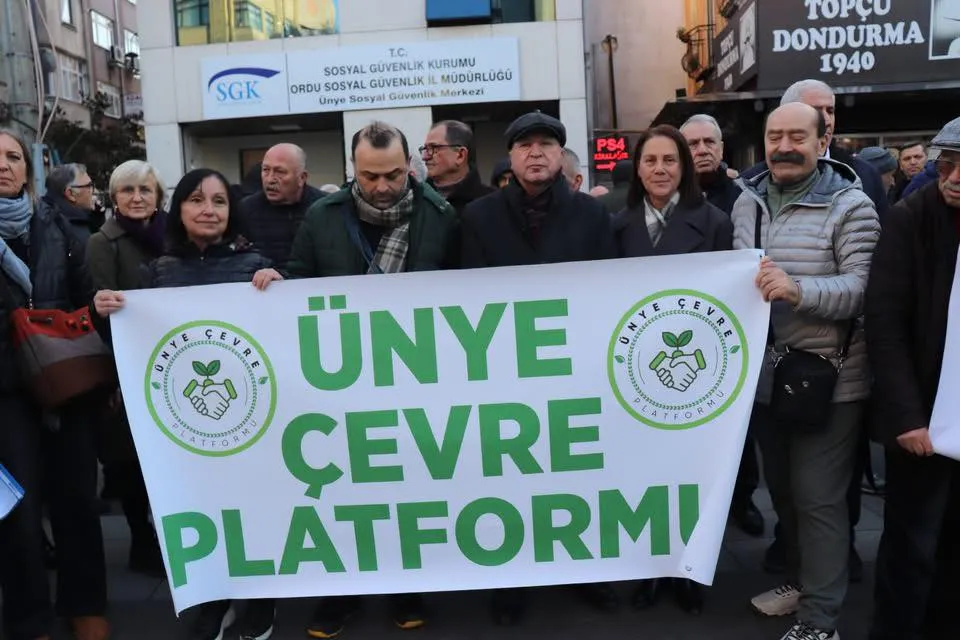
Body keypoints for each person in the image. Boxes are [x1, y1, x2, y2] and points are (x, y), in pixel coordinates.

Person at [281, 121, 457, 638]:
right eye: (370, 176)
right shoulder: (322, 217)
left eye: (393, 175)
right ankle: (341, 593)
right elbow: (298, 281)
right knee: (343, 491)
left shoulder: (440, 217)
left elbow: (467, 294)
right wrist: (276, 284)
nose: (382, 186)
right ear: (351, 170)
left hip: (416, 379)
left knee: (407, 489)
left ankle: (406, 586)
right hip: (340, 383)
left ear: (410, 167)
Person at [93, 168, 280, 640]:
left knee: (255, 505)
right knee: (205, 509)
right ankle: (214, 600)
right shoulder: (157, 271)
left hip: (251, 413)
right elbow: (132, 343)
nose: (208, 210)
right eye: (197, 199)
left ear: (231, 211)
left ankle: (262, 600)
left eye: (219, 201)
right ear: (179, 210)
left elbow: (286, 333)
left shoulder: (257, 264)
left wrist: (282, 287)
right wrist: (106, 313)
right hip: (192, 422)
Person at [460, 111, 618, 626]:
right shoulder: (479, 217)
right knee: (511, 478)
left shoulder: (593, 217)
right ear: (510, 157)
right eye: (525, 144)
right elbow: (464, 297)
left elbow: (610, 293)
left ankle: (586, 570)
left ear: (560, 155)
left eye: (546, 144)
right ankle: (513, 578)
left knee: (577, 476)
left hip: (574, 371)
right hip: (502, 372)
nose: (535, 153)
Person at [733, 104, 879, 640]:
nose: (785, 146)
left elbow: (864, 288)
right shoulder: (746, 202)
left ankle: (820, 621)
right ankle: (802, 583)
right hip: (768, 378)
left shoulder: (852, 206)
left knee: (819, 499)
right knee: (786, 494)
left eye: (798, 135)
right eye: (775, 136)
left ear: (822, 142)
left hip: (830, 380)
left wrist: (799, 291)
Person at [614, 124, 733, 617]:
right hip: (636, 369)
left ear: (684, 168)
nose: (660, 169)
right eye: (650, 160)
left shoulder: (716, 222)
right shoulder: (616, 225)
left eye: (669, 160)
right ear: (637, 169)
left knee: (690, 476)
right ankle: (648, 568)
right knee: (644, 475)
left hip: (693, 372)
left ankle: (688, 569)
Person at [0, 128, 109, 640]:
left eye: (12, 156)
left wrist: (99, 309)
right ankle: (29, 619)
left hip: (66, 383)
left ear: (29, 169)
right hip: (5, 392)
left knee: (78, 499)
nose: (3, 165)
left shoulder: (57, 226)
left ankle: (83, 603)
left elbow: (86, 297)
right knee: (17, 510)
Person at [866, 116, 960, 640]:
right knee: (911, 547)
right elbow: (885, 324)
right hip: (923, 421)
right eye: (947, 164)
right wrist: (906, 417)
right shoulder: (909, 219)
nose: (954, 176)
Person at [678, 113, 764, 537]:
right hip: (681, 330)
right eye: (692, 144)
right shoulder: (669, 199)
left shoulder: (746, 199)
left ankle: (742, 499)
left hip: (730, 329)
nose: (701, 150)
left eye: (708, 142)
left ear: (722, 148)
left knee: (736, 425)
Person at [86, 160, 168, 578]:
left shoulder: (175, 235)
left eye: (145, 190)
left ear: (158, 196)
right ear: (115, 198)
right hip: (128, 369)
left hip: (173, 363)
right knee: (132, 463)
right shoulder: (103, 242)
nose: (137, 198)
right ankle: (142, 541)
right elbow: (101, 313)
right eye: (127, 190)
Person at [237, 144, 323, 270]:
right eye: (266, 170)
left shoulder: (324, 208)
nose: (270, 179)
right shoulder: (246, 209)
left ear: (302, 177)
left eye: (280, 172)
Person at [421, 120, 494, 213]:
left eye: (434, 148)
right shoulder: (415, 201)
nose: (425, 157)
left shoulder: (493, 203)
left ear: (460, 155)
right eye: (425, 149)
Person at [41, 163, 101, 242]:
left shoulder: (75, 219)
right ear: (70, 193)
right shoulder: (52, 228)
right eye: (89, 186)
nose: (94, 191)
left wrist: (97, 216)